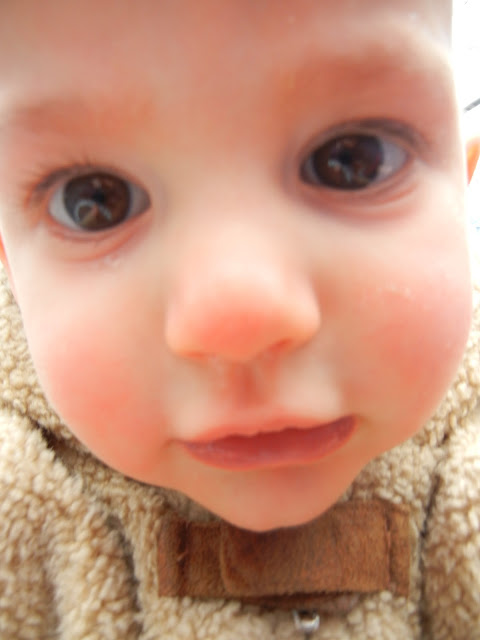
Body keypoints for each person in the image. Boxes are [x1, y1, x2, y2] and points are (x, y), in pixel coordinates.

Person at [0, 1, 479, 638]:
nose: (240, 323)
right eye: (96, 202)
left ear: (462, 185)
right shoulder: (19, 507)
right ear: (11, 265)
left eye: (353, 161)